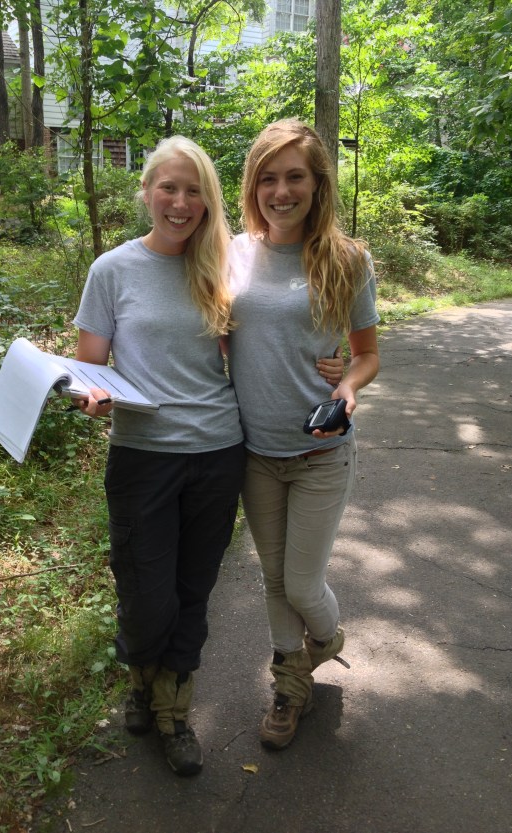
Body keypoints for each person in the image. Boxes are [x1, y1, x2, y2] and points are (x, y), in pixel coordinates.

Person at [72, 135, 344, 776]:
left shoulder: (224, 265)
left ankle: (173, 711)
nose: (180, 202)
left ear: (208, 201)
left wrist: (336, 364)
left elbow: (278, 325)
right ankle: (141, 677)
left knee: (192, 590)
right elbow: (88, 368)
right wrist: (90, 397)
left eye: (194, 191)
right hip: (143, 456)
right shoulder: (111, 270)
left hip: (219, 452)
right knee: (145, 593)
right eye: (168, 188)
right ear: (146, 192)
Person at [227, 119, 380, 750]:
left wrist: (349, 386)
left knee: (300, 583)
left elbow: (367, 354)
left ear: (318, 185)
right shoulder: (231, 253)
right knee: (273, 579)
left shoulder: (347, 259)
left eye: (295, 177)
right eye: (268, 178)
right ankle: (290, 686)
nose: (281, 191)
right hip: (254, 453)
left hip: (321, 454)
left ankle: (327, 638)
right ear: (253, 185)